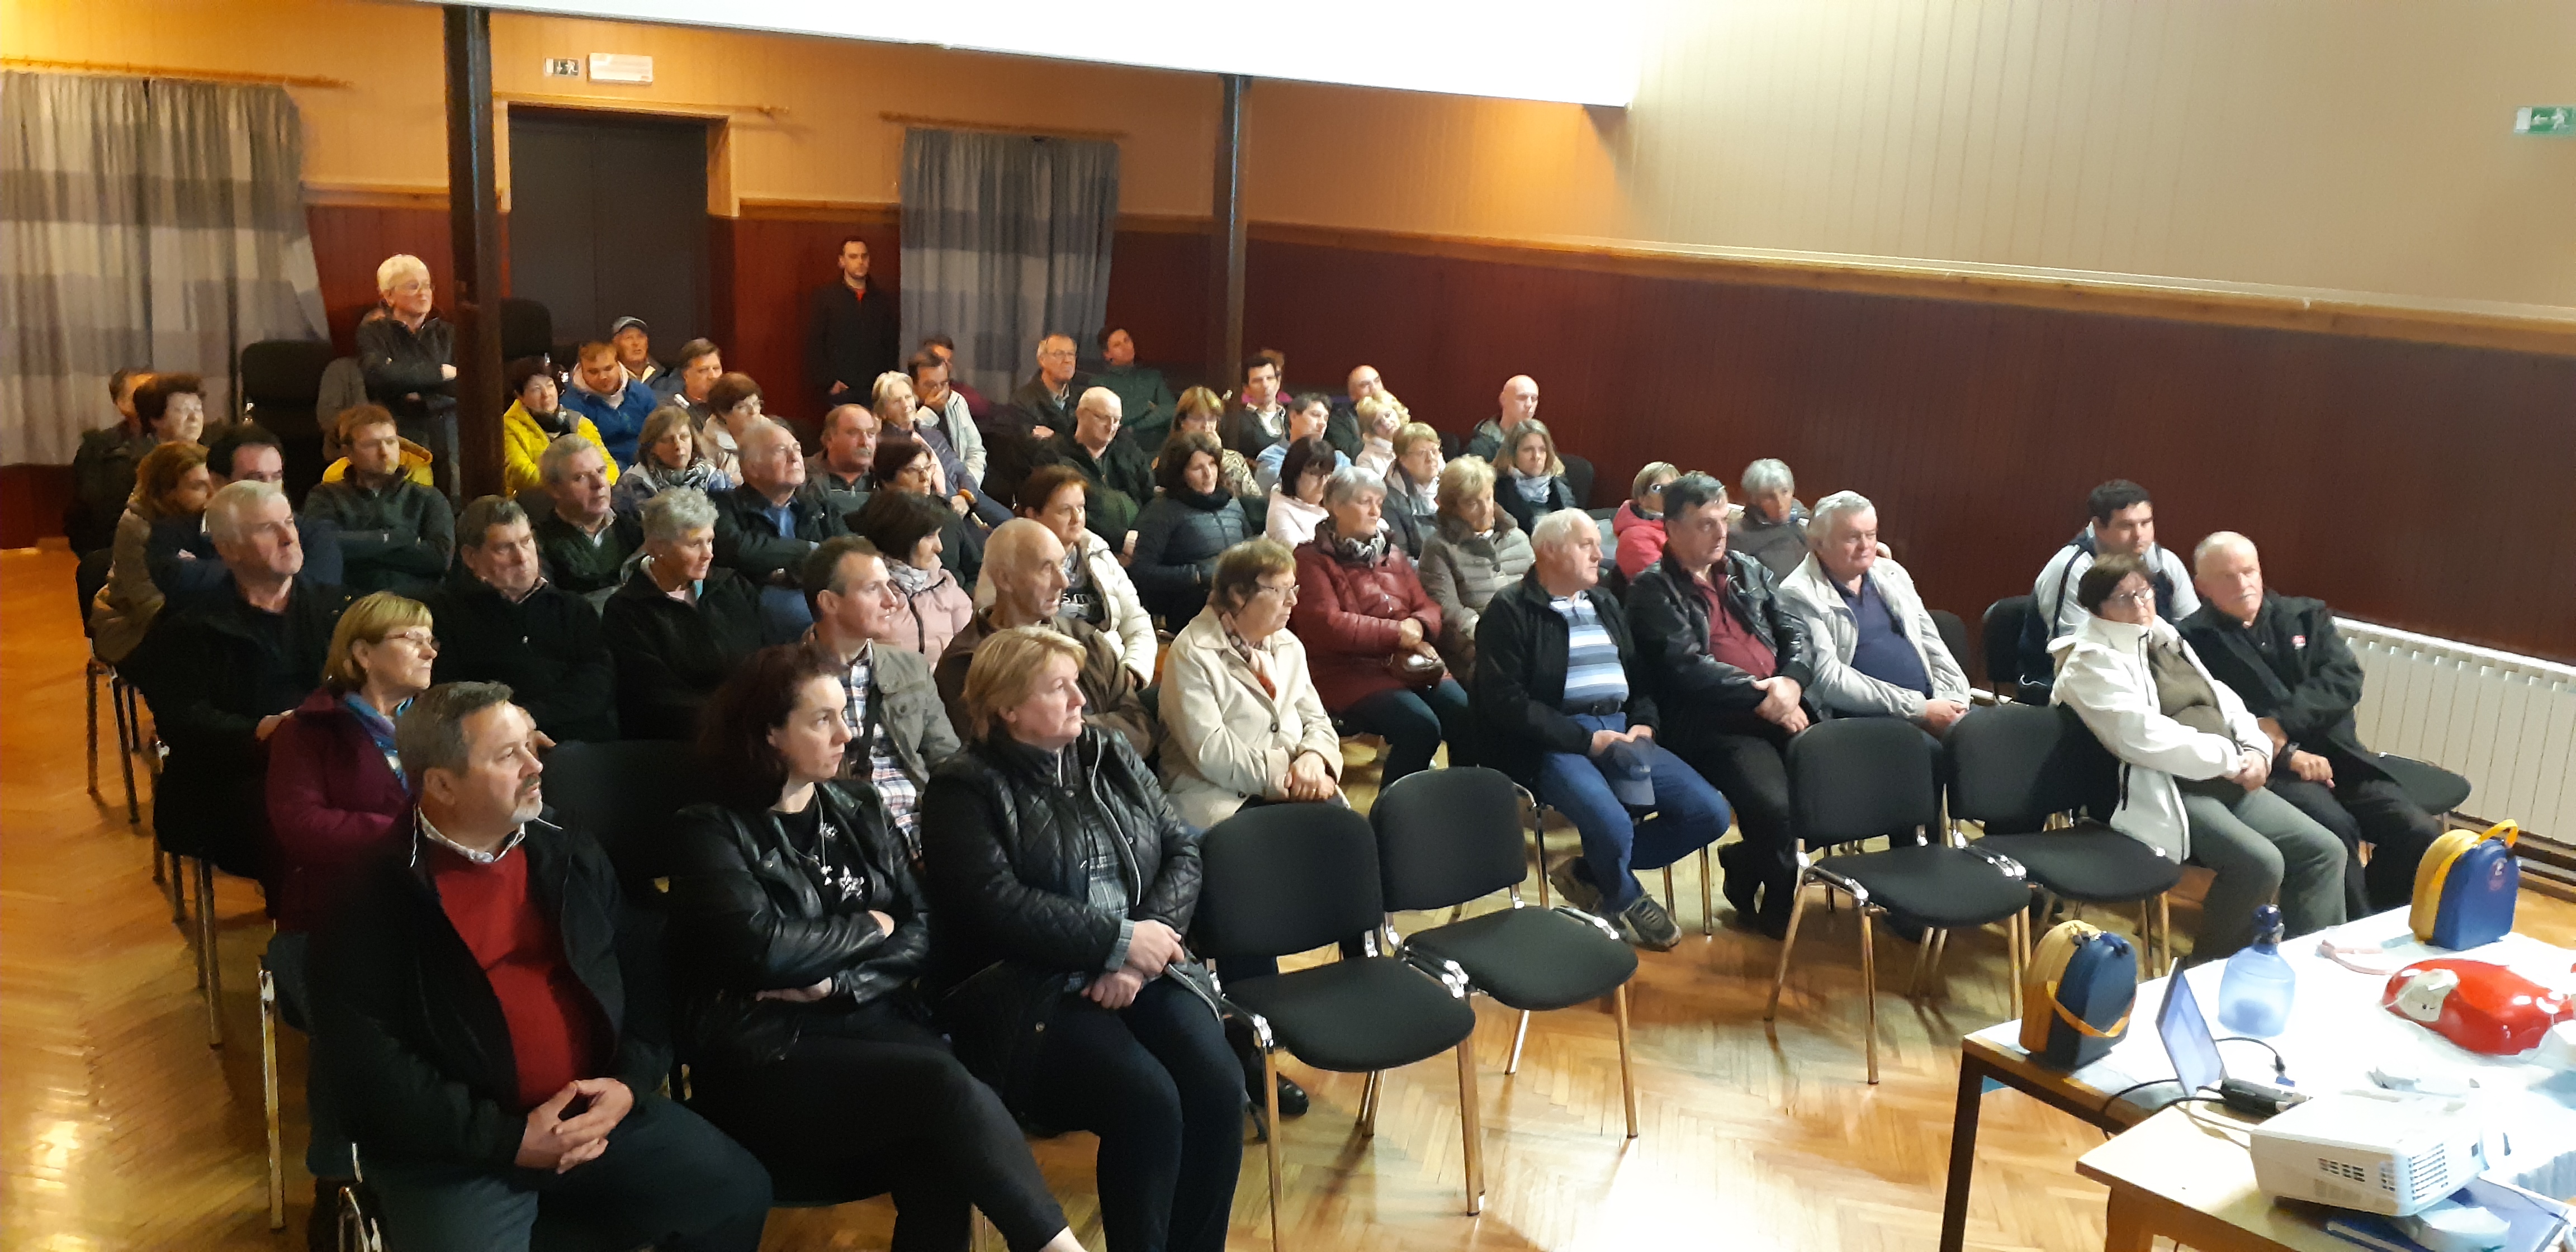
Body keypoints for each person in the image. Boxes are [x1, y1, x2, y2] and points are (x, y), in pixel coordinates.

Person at [307, 681, 773, 1251]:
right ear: (442, 784)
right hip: (458, 1152)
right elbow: (370, 1068)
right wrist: (509, 1139)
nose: (536, 766)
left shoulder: (565, 844)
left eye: (530, 745)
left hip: (594, 1114)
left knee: (736, 1194)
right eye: (509, 755)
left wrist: (627, 1084)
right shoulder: (370, 893)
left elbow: (640, 971)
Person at [658, 646, 1081, 1252]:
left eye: (844, 715)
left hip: (870, 1019)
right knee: (941, 1085)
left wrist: (839, 982)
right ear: (769, 732)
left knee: (940, 1134)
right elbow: (762, 950)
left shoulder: (859, 806)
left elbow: (924, 928)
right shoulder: (709, 828)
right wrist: (872, 925)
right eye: (822, 720)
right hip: (768, 1052)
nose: (847, 734)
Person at [919, 627, 1240, 1252]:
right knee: (1148, 1100)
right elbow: (997, 905)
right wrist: (1117, 941)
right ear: (1008, 708)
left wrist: (1140, 954)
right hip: (1033, 989)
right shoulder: (964, 788)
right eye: (1058, 688)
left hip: (1140, 967)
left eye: (1076, 683)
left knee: (1218, 1084)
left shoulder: (1107, 752)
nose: (1080, 699)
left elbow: (1182, 850)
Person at [2050, 553, 2347, 960]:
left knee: (2325, 850)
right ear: (2096, 609)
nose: (2140, 605)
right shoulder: (2090, 661)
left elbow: (2224, 700)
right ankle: (2209, 971)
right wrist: (2231, 761)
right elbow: (2141, 738)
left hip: (2222, 776)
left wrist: (2256, 751)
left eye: (2144, 592)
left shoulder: (2164, 637)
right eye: (2123, 598)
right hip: (2161, 789)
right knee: (2259, 864)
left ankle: (2305, 966)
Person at [1479, 510, 1735, 951]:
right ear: (1549, 551)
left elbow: (1640, 679)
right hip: (1557, 740)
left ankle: (1591, 872)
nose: (1600, 554)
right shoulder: (1511, 610)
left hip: (1623, 729)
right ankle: (1625, 895)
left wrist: (1644, 724)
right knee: (1612, 824)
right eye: (1586, 545)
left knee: (1709, 813)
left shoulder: (1604, 603)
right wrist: (1587, 741)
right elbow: (1506, 702)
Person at [2180, 532, 2440, 916]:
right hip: (2275, 770)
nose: (2243, 583)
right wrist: (2287, 753)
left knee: (2418, 831)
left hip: (2341, 757)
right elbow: (2216, 717)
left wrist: (2282, 722)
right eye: (2227, 577)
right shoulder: (2192, 641)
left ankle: (2374, 917)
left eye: (2249, 571)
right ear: (2201, 586)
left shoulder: (2305, 616)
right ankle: (2347, 932)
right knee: (2336, 828)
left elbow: (2343, 680)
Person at [1623, 472, 1818, 940]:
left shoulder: (1746, 569)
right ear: (1672, 528)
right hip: (1713, 722)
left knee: (1826, 793)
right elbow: (1686, 668)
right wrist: (1766, 694)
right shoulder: (1653, 590)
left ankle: (1744, 862)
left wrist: (1792, 681)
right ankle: (1778, 909)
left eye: (1722, 520)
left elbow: (1795, 629)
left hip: (1779, 705)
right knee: (1774, 808)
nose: (1720, 532)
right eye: (1706, 524)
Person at [125, 480, 347, 880]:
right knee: (301, 828)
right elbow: (182, 721)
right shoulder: (189, 627)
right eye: (267, 529)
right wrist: (260, 731)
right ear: (228, 549)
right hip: (233, 778)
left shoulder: (338, 610)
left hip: (334, 760)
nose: (288, 537)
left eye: (289, 523)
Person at [265, 591, 437, 932]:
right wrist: (410, 833)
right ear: (363, 654)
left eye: (431, 641)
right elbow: (302, 825)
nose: (429, 652)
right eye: (413, 639)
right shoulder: (307, 730)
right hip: (346, 907)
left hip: (436, 895)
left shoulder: (441, 724)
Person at [1294, 466, 1474, 785]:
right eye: (1365, 502)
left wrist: (1419, 624)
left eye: (1379, 502)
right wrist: (1397, 633)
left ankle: (1461, 794)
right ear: (1336, 506)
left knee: (1465, 714)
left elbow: (1428, 606)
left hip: (1410, 661)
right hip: (1348, 670)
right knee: (1420, 727)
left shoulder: (1392, 554)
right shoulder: (1310, 559)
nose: (1376, 511)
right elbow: (1327, 625)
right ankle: (1394, 809)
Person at [1157, 538, 1341, 828]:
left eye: (1293, 589)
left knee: (1346, 833)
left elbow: (1316, 720)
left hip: (1297, 783)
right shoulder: (1192, 653)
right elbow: (1213, 753)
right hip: (1219, 795)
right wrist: (1289, 777)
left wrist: (1315, 758)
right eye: (1280, 590)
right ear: (1238, 595)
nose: (1293, 601)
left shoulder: (1289, 645)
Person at [799, 537, 962, 858]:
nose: (893, 601)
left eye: (889, 586)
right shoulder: (789, 679)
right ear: (830, 602)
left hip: (923, 827)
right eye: (873, 589)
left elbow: (946, 759)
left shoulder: (911, 668)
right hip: (844, 838)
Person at [938, 519, 1155, 760]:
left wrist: (1070, 727)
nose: (1063, 582)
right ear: (1005, 579)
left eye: (1062, 565)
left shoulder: (1086, 639)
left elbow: (1141, 731)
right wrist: (1099, 730)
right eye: (1046, 568)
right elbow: (998, 757)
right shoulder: (968, 662)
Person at [1775, 491, 1972, 732]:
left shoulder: (1892, 574)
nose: (1866, 546)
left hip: (1933, 709)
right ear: (1818, 543)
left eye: (1871, 535)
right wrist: (1920, 709)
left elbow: (1931, 643)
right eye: (1853, 537)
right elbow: (1830, 680)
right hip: (1870, 725)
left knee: (1982, 736)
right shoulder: (1799, 593)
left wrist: (1954, 701)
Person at [432, 496, 619, 743]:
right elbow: (453, 696)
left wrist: (532, 716)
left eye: (526, 541)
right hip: (494, 743)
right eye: (504, 548)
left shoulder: (572, 608)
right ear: (471, 558)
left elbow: (599, 683)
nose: (522, 558)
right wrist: (515, 728)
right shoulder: (446, 613)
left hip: (582, 738)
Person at [602, 488, 764, 741]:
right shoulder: (626, 610)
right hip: (682, 736)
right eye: (694, 544)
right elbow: (655, 695)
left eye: (709, 540)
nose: (708, 553)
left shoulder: (733, 585)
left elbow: (765, 655)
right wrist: (729, 721)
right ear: (658, 547)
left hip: (750, 721)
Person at [2021, 478, 2200, 698]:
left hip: (2152, 674)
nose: (2139, 535)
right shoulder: (2072, 569)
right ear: (2098, 527)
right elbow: (2074, 654)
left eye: (2146, 523)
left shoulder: (2165, 562)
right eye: (2126, 526)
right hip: (2075, 682)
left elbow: (2192, 631)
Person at [980, 466, 1156, 684]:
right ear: (1033, 514)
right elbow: (997, 632)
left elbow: (1137, 622)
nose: (1077, 518)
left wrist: (1133, 671)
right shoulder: (1008, 557)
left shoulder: (1098, 551)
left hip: (1112, 672)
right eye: (1065, 510)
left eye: (1081, 508)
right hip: (1046, 677)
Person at [146, 425, 347, 610]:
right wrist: (274, 573)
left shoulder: (312, 534)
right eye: (256, 479)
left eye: (277, 477)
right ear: (217, 482)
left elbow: (316, 595)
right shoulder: (172, 533)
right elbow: (179, 588)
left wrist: (209, 570)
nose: (269, 488)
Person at [302, 404, 454, 596]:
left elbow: (439, 559)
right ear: (348, 451)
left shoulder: (427, 497)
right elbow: (322, 547)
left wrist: (359, 548)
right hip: (352, 603)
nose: (384, 452)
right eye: (371, 445)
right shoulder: (326, 496)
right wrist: (394, 538)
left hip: (417, 603)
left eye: (391, 442)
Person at [89, 441, 213, 665]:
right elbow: (150, 605)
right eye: (198, 486)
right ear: (167, 491)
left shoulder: (203, 516)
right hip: (132, 629)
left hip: (187, 620)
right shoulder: (137, 526)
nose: (212, 494)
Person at [1417, 456, 1534, 682]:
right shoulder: (1439, 547)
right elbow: (1449, 611)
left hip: (1530, 639)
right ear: (1453, 509)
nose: (1485, 509)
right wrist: (1492, 635)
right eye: (1472, 503)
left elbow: (1542, 592)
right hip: (1477, 649)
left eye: (1488, 498)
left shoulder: (1517, 538)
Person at [712, 419, 848, 601]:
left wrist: (787, 573)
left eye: (797, 449)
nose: (795, 458)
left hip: (822, 604)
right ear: (752, 467)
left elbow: (846, 556)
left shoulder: (820, 508)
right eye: (781, 450)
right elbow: (735, 549)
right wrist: (809, 549)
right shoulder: (723, 505)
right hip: (751, 608)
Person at [1128, 431, 1251, 628]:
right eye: (1197, 468)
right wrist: (1196, 574)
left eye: (1212, 464)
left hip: (1239, 598)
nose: (1208, 474)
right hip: (1190, 607)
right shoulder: (1162, 511)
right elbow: (1141, 572)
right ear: (1180, 474)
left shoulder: (1231, 503)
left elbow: (1249, 546)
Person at [355, 254, 457, 486]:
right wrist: (441, 373)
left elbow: (464, 383)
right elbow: (379, 376)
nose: (424, 293)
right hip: (400, 432)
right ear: (389, 296)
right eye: (413, 286)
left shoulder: (449, 334)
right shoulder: (374, 333)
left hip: (448, 432)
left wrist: (413, 388)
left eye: (427, 285)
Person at [853, 483, 975, 661]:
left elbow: (970, 647)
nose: (939, 547)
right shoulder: (866, 589)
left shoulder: (944, 583)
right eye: (930, 537)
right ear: (902, 539)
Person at [877, 372, 1006, 526]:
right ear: (883, 412)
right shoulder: (888, 446)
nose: (906, 405)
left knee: (1009, 521)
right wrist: (950, 504)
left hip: (965, 495)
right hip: (936, 509)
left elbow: (961, 471)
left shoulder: (931, 433)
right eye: (897, 401)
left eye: (908, 397)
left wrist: (965, 497)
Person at [863, 431, 984, 587]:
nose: (925, 477)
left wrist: (964, 598)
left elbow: (976, 571)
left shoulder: (946, 513)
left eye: (927, 468)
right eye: (913, 470)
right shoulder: (877, 521)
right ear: (886, 480)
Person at [532, 436, 643, 604]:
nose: (599, 484)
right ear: (554, 489)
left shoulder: (636, 526)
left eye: (601, 471)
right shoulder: (540, 543)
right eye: (581, 477)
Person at [1049, 387, 1157, 551]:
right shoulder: (1055, 457)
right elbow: (1065, 514)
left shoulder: (1129, 451)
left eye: (1117, 420)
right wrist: (1121, 540)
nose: (1111, 427)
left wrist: (1142, 537)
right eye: (1103, 418)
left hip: (1139, 544)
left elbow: (1149, 497)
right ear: (1080, 413)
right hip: (1085, 548)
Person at [68, 368, 158, 554]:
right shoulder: (99, 448)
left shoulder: (189, 440)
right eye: (145, 396)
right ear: (122, 403)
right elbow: (90, 511)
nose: (157, 402)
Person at [809, 236, 901, 412]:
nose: (860, 262)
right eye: (853, 257)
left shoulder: (882, 300)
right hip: (842, 390)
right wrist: (829, 382)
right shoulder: (826, 298)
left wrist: (886, 383)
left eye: (864, 256)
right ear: (841, 261)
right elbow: (815, 344)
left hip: (874, 390)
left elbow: (891, 346)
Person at [501, 358, 618, 497]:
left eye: (550, 386)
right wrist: (571, 487)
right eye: (536, 389)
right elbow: (521, 474)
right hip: (536, 501)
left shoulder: (579, 422)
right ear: (520, 396)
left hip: (587, 497)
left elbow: (609, 466)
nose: (546, 395)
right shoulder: (509, 426)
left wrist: (591, 485)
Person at [615, 405, 734, 518]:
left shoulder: (715, 479)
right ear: (651, 447)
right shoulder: (632, 487)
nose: (678, 446)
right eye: (667, 440)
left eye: (684, 437)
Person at [559, 341, 657, 468]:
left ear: (619, 365)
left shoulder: (641, 392)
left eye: (608, 368)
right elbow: (581, 455)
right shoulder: (570, 405)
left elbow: (658, 435)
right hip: (604, 470)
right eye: (593, 372)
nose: (603, 377)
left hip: (649, 465)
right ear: (581, 371)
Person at [906, 349, 987, 489]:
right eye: (931, 385)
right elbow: (912, 435)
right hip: (929, 489)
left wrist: (969, 486)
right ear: (914, 386)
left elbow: (975, 452)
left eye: (944, 384)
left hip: (965, 485)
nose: (939, 391)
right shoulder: (906, 409)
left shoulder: (956, 402)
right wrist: (930, 411)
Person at [1091, 328, 1175, 454]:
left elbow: (1171, 410)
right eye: (1117, 345)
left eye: (1127, 340)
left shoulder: (1153, 377)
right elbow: (1116, 420)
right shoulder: (1100, 384)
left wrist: (1132, 428)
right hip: (1120, 452)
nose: (1126, 347)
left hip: (1158, 450)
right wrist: (1148, 407)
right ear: (1107, 354)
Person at [1167, 386, 1259, 500]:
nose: (1206, 427)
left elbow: (1256, 501)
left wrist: (1220, 456)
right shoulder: (1170, 460)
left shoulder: (1235, 459)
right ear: (1182, 421)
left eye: (1211, 419)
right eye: (1198, 418)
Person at [1727, 459, 1812, 580]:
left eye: (1785, 492)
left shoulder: (1802, 517)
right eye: (1769, 497)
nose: (1780, 504)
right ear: (1754, 500)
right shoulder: (1739, 537)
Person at [1491, 419, 1578, 535]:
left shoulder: (1559, 484)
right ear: (1512, 454)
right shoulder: (1497, 488)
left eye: (1542, 450)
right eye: (1528, 450)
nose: (1536, 457)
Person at [1251, 393, 1351, 492]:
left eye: (1326, 418)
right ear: (1294, 416)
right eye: (1316, 415)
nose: (1323, 423)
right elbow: (1283, 487)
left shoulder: (1339, 458)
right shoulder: (1272, 456)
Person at [1007, 333, 1086, 443]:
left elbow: (1093, 443)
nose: (1067, 360)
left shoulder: (1085, 399)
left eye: (1071, 354)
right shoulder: (1022, 401)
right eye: (1059, 354)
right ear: (1042, 360)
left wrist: (1053, 437)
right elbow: (1032, 447)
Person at [1381, 421, 1443, 557]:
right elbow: (1400, 558)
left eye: (1434, 451)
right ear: (1403, 460)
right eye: (1421, 453)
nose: (1431, 459)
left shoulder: (1450, 482)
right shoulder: (1390, 500)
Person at [1262, 438, 1336, 549]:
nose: (1323, 482)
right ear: (1294, 473)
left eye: (1328, 474)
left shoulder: (1333, 501)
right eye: (1314, 474)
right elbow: (1302, 556)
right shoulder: (1280, 514)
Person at [807, 403, 879, 518]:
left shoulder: (886, 481)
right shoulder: (801, 479)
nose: (865, 442)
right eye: (854, 433)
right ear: (829, 439)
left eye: (871, 434)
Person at [698, 372, 766, 483]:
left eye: (756, 403)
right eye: (742, 407)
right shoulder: (707, 446)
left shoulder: (773, 434)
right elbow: (709, 484)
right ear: (723, 412)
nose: (753, 411)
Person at [1614, 462, 1678, 579]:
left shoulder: (1681, 526)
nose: (1668, 494)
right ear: (1642, 498)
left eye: (1674, 488)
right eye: (1659, 488)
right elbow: (1658, 583)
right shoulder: (1634, 538)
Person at [1217, 354, 1286, 458]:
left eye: (1270, 378)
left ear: (1278, 383)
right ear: (1246, 389)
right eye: (1257, 381)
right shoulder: (1234, 421)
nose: (1265, 385)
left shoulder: (1292, 415)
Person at [1465, 374, 1539, 461]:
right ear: (1503, 400)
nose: (1529, 404)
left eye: (1534, 399)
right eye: (1522, 398)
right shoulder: (1480, 447)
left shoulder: (1540, 442)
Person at [1325, 364, 1386, 458]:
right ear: (1353, 395)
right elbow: (1350, 452)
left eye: (1377, 381)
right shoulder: (1339, 420)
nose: (1374, 388)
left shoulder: (1395, 410)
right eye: (1365, 385)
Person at [134, 371, 209, 447]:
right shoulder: (140, 453)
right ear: (155, 419)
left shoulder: (209, 451)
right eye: (183, 410)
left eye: (198, 409)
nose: (194, 418)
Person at [652, 337, 722, 414]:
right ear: (685, 375)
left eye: (716, 369)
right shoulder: (670, 409)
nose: (713, 376)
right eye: (703, 370)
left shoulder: (729, 405)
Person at [1348, 393, 1405, 478]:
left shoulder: (1413, 440)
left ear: (1397, 412)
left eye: (1388, 415)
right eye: (1378, 423)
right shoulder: (1367, 460)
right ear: (1371, 431)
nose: (1386, 423)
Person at [608, 316, 664, 392]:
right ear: (615, 344)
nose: (636, 343)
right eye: (629, 338)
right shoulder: (610, 381)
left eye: (640, 337)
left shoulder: (666, 376)